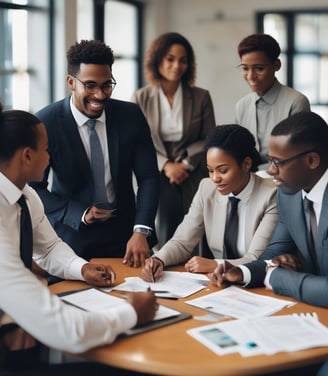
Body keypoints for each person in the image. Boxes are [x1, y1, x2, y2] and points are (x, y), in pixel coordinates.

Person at [0, 103, 157, 373]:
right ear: (27, 156)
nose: (50, 157)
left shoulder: (26, 197)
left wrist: (81, 268)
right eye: (46, 149)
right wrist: (132, 313)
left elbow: (48, 249)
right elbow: (68, 330)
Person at [30, 40, 160, 267]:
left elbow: (149, 177)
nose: (100, 95)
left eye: (106, 85)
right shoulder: (45, 123)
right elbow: (33, 187)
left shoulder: (130, 115)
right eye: (90, 85)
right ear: (71, 82)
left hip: (128, 237)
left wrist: (141, 230)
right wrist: (77, 212)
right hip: (71, 238)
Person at [209, 111, 328, 309]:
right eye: (270, 160)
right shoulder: (288, 195)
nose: (271, 170)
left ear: (312, 161)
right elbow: (273, 254)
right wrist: (241, 272)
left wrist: (278, 278)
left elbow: (275, 273)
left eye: (278, 162)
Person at [140, 124, 278, 282]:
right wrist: (159, 260)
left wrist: (215, 265)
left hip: (254, 284)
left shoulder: (270, 196)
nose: (215, 178)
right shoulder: (207, 188)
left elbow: (256, 259)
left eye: (223, 170)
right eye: (211, 170)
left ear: (246, 164)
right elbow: (183, 241)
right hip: (216, 284)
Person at [132, 32, 216, 248]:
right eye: (170, 58)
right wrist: (167, 166)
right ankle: (166, 268)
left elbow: (209, 137)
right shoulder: (141, 98)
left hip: (194, 168)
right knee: (166, 226)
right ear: (157, 60)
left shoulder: (201, 96)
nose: (177, 65)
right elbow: (137, 141)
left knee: (200, 227)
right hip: (157, 170)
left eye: (183, 60)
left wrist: (185, 165)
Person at [235, 33, 310, 168]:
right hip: (249, 181)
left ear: (276, 65)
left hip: (285, 181)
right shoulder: (242, 106)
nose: (251, 76)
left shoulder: (296, 102)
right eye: (245, 68)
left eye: (259, 68)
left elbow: (298, 154)